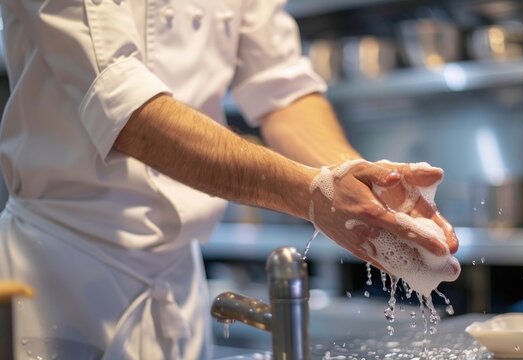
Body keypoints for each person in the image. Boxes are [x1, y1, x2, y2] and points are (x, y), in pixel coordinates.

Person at [0, 0, 459, 359]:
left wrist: (361, 183)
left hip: (177, 285)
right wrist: (312, 194)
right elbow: (124, 107)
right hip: (61, 278)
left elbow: (283, 90)